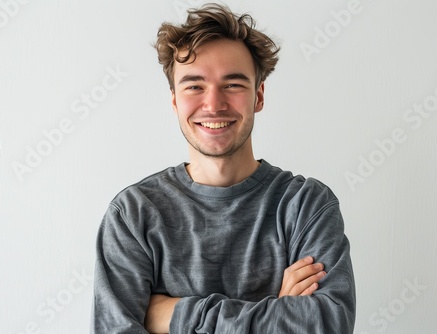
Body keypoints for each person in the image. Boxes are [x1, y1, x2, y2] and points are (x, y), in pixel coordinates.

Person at [92, 3, 355, 333]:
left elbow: (326, 325)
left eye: (232, 84)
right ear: (175, 101)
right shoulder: (133, 214)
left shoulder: (306, 206)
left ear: (258, 96)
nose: (213, 104)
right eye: (194, 86)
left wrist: (173, 315)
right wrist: (277, 311)